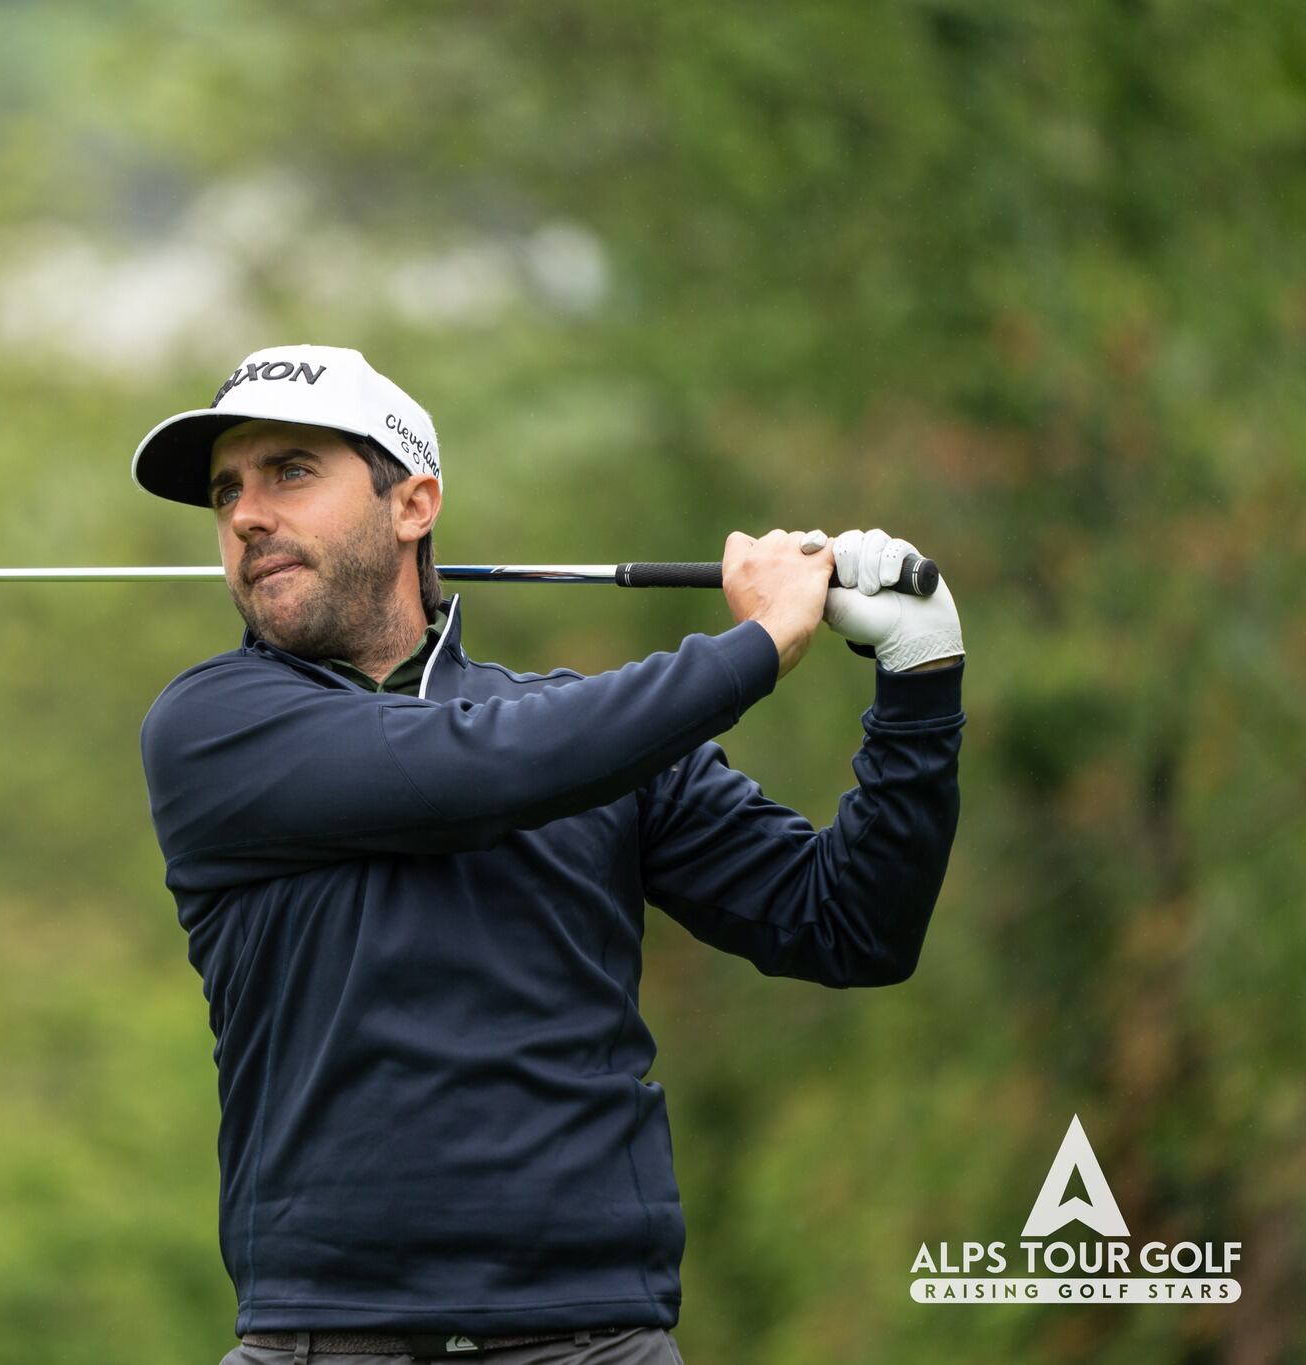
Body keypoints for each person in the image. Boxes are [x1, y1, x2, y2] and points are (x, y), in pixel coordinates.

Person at [131, 345, 965, 1365]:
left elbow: (848, 927)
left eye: (289, 472)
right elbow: (468, 774)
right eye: (226, 493)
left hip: (592, 1338)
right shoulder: (212, 729)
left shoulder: (593, 738)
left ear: (412, 504)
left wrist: (917, 685)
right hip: (322, 1339)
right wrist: (754, 647)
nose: (246, 515)